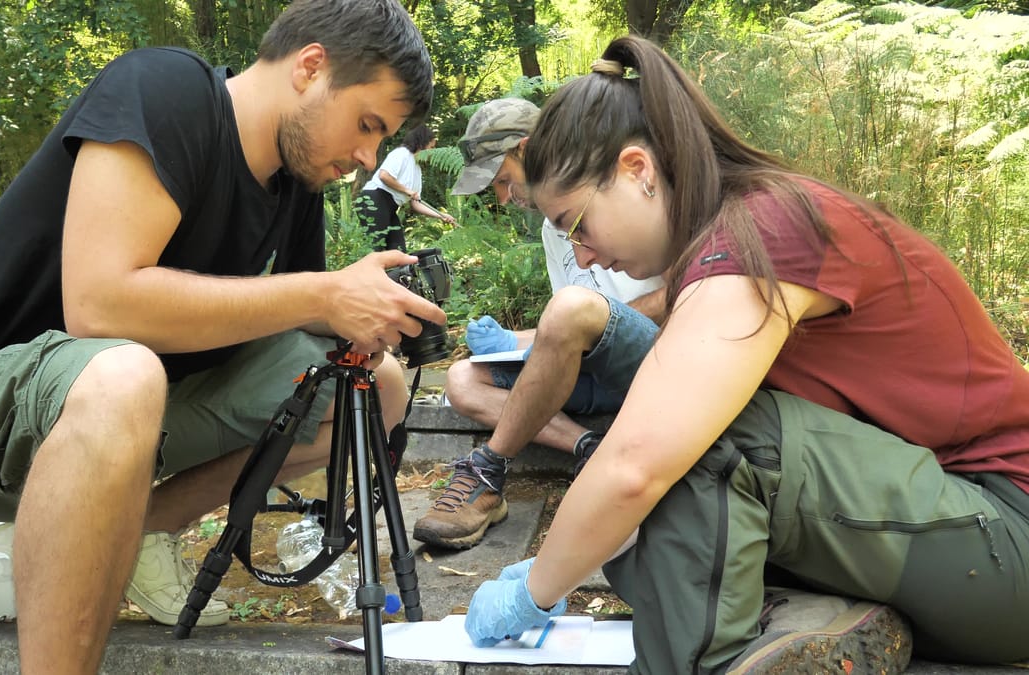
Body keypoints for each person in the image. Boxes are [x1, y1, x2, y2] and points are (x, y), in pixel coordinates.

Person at [0, 2, 443, 673]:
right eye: (367, 125)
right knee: (125, 373)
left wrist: (366, 315)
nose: (367, 158)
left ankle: (144, 525)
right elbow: (97, 304)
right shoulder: (165, 90)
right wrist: (323, 294)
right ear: (310, 67)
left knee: (373, 387)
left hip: (137, 409)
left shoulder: (294, 180)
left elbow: (300, 314)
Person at [462, 34, 1029, 673]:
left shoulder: (764, 233)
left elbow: (637, 463)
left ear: (637, 170)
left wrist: (540, 586)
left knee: (705, 434)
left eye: (576, 224)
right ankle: (804, 617)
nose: (582, 255)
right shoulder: (726, 239)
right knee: (642, 427)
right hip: (936, 527)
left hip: (1005, 535)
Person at [411, 97, 665, 550]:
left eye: (504, 180)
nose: (503, 198)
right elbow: (574, 316)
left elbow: (684, 293)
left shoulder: (637, 191)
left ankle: (489, 469)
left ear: (527, 150)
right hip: (594, 363)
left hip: (655, 358)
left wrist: (585, 322)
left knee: (570, 312)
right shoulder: (554, 229)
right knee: (462, 379)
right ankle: (589, 446)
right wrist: (514, 340)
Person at [356, 123, 455, 251]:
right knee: (376, 248)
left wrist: (441, 216)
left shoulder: (417, 169)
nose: (432, 152)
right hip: (374, 199)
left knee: (398, 250)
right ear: (421, 143)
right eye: (431, 147)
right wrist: (406, 190)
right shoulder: (401, 153)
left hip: (390, 207)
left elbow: (416, 203)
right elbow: (384, 176)